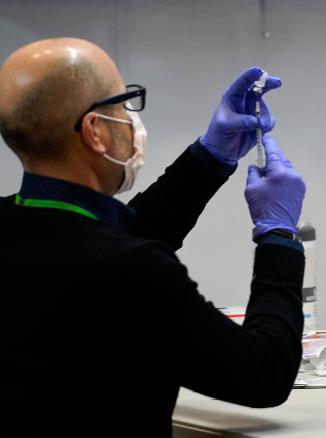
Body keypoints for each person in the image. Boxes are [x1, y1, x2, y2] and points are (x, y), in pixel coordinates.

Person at [0, 38, 307, 434]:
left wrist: (210, 158)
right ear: (95, 130)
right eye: (125, 102)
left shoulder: (18, 225)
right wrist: (279, 235)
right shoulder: (135, 272)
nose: (132, 118)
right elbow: (264, 373)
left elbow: (102, 236)